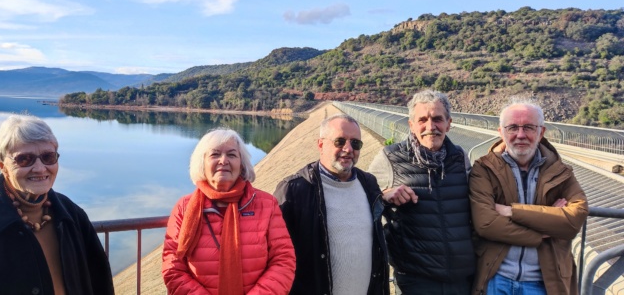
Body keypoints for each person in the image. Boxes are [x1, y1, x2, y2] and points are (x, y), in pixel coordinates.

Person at [0, 115, 114, 295]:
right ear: (1, 165)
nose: (40, 168)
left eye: (48, 157)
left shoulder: (72, 216)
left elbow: (101, 284)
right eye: (24, 159)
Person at [469, 100, 588, 294]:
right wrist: (542, 230)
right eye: (513, 127)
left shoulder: (561, 172)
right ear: (501, 132)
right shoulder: (484, 169)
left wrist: (510, 211)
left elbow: (574, 219)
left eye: (529, 127)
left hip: (544, 282)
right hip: (496, 278)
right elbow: (486, 224)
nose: (521, 135)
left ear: (541, 132)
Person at [162, 128, 295, 294]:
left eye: (232, 155)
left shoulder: (266, 204)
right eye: (215, 154)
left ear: (241, 164)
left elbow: (283, 260)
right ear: (202, 162)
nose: (223, 160)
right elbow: (172, 266)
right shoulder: (184, 207)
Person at [367, 90, 475, 294]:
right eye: (422, 120)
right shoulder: (390, 157)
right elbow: (364, 198)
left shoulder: (460, 157)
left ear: (448, 123)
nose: (430, 127)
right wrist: (384, 196)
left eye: (437, 119)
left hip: (462, 280)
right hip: (416, 280)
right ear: (411, 125)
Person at [276, 114, 389, 295]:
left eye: (355, 143)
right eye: (340, 141)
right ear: (320, 145)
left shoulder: (369, 184)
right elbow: (276, 256)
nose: (348, 149)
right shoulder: (294, 190)